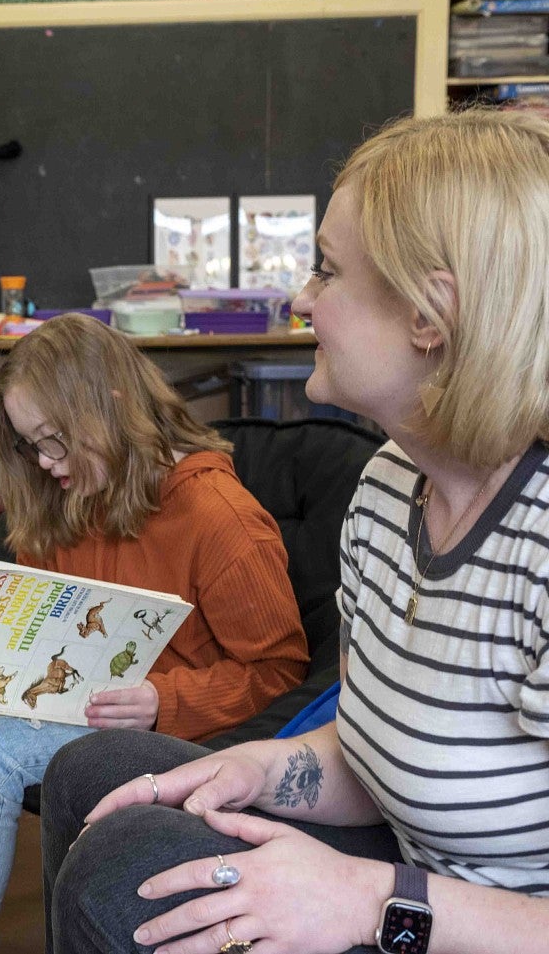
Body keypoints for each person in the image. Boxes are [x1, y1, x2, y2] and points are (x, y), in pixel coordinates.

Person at [41, 109, 549, 954]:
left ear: (431, 314)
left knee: (118, 868)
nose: (301, 298)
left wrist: (372, 900)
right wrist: (261, 768)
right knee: (99, 772)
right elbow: (374, 752)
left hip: (478, 925)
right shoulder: (388, 486)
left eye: (328, 270)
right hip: (415, 874)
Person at [0, 313, 310, 954]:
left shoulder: (220, 517)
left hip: (157, 725)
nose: (45, 463)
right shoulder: (69, 493)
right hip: (65, 696)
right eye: (31, 446)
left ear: (112, 407)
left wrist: (165, 702)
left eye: (54, 441)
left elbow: (280, 671)